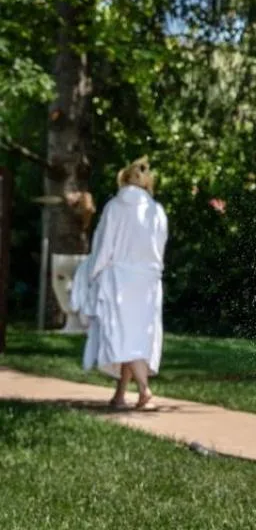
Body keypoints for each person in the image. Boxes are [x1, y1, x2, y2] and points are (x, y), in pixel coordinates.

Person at [72, 157, 168, 410]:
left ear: (123, 180)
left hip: (120, 280)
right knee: (135, 335)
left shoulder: (115, 207)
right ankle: (120, 394)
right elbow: (160, 249)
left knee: (124, 337)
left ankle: (145, 390)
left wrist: (91, 273)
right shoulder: (156, 211)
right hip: (148, 282)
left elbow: (104, 247)